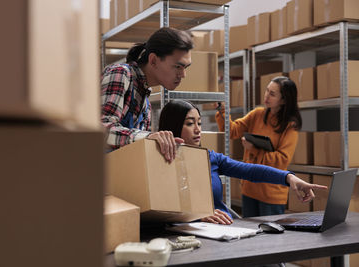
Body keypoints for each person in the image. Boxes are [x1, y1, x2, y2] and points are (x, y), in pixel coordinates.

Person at [159, 100, 326, 225]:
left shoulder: (210, 157)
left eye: (199, 123)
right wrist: (194, 215)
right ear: (173, 125)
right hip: (189, 237)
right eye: (190, 123)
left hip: (224, 231)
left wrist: (289, 178)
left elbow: (250, 170)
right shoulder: (158, 161)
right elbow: (158, 209)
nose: (198, 129)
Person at [101, 27, 194, 162]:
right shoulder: (121, 74)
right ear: (153, 60)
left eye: (186, 67)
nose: (183, 75)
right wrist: (148, 137)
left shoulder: (145, 103)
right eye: (177, 66)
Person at [215, 76, 302, 218]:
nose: (266, 96)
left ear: (284, 100)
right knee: (252, 236)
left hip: (271, 194)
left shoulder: (290, 126)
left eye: (272, 94)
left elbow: (282, 160)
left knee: (269, 239)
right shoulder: (257, 114)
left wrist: (253, 149)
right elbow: (232, 131)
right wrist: (223, 111)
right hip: (249, 189)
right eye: (267, 91)